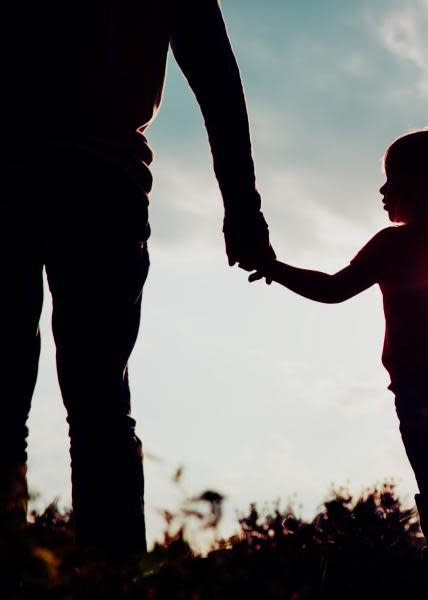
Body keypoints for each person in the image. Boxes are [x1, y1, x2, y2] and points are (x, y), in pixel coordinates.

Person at [0, 0, 273, 557]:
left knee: (9, 402)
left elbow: (218, 77)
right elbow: (217, 79)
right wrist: (242, 208)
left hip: (30, 171)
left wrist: (244, 207)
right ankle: (112, 578)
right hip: (102, 178)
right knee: (99, 403)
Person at [249, 128, 428, 590]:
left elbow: (333, 289)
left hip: (426, 395)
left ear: (424, 185)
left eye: (392, 179)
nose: (383, 191)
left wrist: (274, 268)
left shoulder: (395, 244)